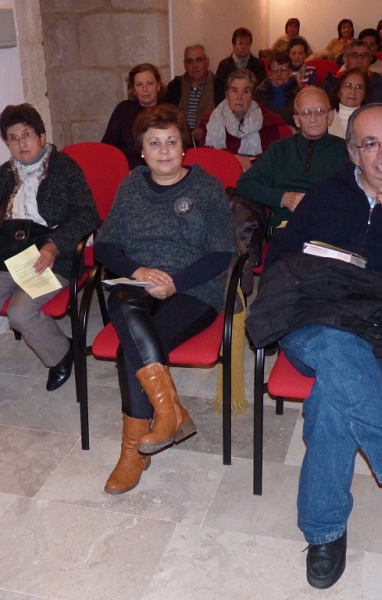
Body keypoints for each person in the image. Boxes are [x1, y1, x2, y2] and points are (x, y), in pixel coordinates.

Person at [253, 103, 382, 589]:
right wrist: (320, 264)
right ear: (352, 153)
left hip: (377, 328)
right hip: (312, 320)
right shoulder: (326, 195)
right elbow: (280, 256)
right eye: (370, 143)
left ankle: (324, 530)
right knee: (335, 347)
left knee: (330, 406)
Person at [93, 105, 237, 494]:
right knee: (122, 297)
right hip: (137, 283)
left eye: (171, 141)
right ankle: (168, 411)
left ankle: (133, 452)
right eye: (154, 143)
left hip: (193, 288)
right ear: (141, 150)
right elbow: (104, 245)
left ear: (184, 147)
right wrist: (138, 271)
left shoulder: (205, 188)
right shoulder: (131, 186)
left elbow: (222, 253)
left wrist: (175, 283)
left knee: (131, 351)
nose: (163, 150)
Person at [0, 104, 100, 429]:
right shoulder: (4, 175)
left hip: (53, 256)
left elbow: (88, 215)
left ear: (42, 136)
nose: (21, 144)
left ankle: (61, 353)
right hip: (9, 257)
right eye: (13, 138)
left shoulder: (65, 169)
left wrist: (54, 245)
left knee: (21, 311)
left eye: (27, 135)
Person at [237, 87, 349, 228]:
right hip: (288, 226)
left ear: (330, 116)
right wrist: (284, 198)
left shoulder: (346, 151)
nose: (313, 118)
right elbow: (246, 184)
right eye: (306, 113)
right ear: (297, 120)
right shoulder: (280, 148)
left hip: (330, 226)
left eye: (320, 111)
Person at [199, 69, 285, 172]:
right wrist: (234, 159)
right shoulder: (211, 122)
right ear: (227, 94)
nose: (239, 97)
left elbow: (273, 160)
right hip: (220, 178)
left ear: (252, 96)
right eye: (234, 90)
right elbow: (207, 157)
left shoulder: (268, 123)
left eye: (246, 91)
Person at [322, 41, 382, 127]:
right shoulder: (331, 85)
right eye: (354, 55)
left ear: (370, 60)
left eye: (364, 55)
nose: (360, 60)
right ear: (345, 60)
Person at [102, 63, 165, 169]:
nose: (145, 89)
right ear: (134, 90)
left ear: (158, 86)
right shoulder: (123, 110)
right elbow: (108, 148)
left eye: (149, 83)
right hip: (129, 171)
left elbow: (183, 148)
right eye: (139, 85)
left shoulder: (170, 111)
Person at [163, 44, 225, 145]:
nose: (195, 66)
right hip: (180, 144)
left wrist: (206, 132)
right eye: (190, 61)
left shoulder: (219, 86)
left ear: (207, 62)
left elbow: (226, 120)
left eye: (199, 60)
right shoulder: (176, 86)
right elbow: (167, 117)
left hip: (210, 144)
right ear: (185, 65)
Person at [254, 50, 302, 125]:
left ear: (290, 71)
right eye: (275, 70)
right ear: (269, 72)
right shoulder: (259, 92)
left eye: (283, 69)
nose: (279, 74)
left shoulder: (299, 94)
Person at [328, 68, 368, 138]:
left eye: (359, 87)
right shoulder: (325, 118)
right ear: (338, 92)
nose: (353, 92)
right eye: (348, 86)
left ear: (364, 94)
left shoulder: (371, 120)